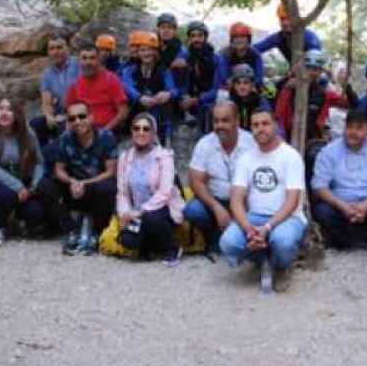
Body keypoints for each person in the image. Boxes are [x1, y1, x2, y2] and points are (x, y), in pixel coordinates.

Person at [219, 108, 307, 294]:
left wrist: (267, 227)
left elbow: (293, 201)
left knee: (282, 241)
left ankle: (281, 265)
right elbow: (236, 199)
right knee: (228, 243)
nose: (260, 129)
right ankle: (264, 258)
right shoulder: (246, 158)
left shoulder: (290, 156)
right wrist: (248, 229)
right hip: (255, 216)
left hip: (287, 217)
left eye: (265, 124)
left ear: (275, 125)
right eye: (255, 125)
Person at [38, 100, 118, 255]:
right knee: (45, 186)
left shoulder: (106, 137)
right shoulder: (65, 138)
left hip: (96, 188)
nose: (78, 121)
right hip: (73, 188)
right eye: (72, 118)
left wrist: (84, 183)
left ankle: (97, 231)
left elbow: (110, 171)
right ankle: (71, 229)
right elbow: (58, 170)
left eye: (82, 116)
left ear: (91, 117)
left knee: (108, 187)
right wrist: (72, 181)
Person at [311, 109, 367, 250]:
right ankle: (345, 241)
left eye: (359, 128)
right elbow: (319, 185)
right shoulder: (329, 151)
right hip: (340, 205)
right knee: (322, 210)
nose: (353, 132)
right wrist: (343, 207)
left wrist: (365, 206)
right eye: (350, 127)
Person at [184, 101, 258, 257]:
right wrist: (217, 208)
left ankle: (244, 241)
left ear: (237, 121)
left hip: (245, 200)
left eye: (225, 120)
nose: (220, 126)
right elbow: (195, 180)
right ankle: (214, 240)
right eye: (216, 121)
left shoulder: (252, 143)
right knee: (193, 210)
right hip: (216, 199)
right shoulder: (204, 144)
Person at [275, 50, 356, 184]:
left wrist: (346, 85)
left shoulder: (324, 93)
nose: (312, 73)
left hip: (314, 141)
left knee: (316, 160)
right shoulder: (289, 89)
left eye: (316, 69)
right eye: (309, 68)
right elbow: (278, 116)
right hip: (289, 139)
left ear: (320, 72)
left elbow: (350, 104)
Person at [116, 113, 185, 266]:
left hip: (162, 209)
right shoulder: (124, 157)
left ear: (153, 133)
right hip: (136, 212)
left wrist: (141, 211)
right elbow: (122, 192)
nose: (141, 132)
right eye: (137, 128)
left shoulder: (164, 156)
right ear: (131, 131)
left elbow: (164, 193)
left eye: (146, 129)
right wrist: (124, 213)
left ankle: (172, 250)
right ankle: (151, 246)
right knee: (128, 240)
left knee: (151, 219)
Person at [0, 98, 46, 246]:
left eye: (9, 109)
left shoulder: (28, 133)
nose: (4, 113)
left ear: (18, 114)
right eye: (1, 109)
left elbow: (39, 162)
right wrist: (18, 186)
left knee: (35, 212)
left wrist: (33, 186)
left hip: (22, 183)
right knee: (5, 195)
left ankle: (16, 217)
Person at [121, 32, 177, 145]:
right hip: (137, 108)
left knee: (165, 107)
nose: (147, 53)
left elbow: (174, 90)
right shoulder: (129, 70)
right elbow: (126, 86)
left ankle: (164, 139)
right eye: (143, 50)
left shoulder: (163, 71)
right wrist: (140, 97)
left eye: (150, 50)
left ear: (155, 52)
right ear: (138, 53)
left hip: (157, 109)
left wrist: (168, 95)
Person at [64, 41, 128, 132]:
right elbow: (68, 111)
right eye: (84, 58)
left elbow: (123, 112)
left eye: (92, 58)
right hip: (81, 130)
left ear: (99, 59)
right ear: (79, 61)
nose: (88, 62)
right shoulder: (75, 83)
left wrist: (105, 131)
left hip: (106, 130)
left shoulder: (111, 79)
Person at [30, 33, 80, 147]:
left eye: (59, 47)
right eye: (51, 49)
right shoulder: (47, 74)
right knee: (36, 123)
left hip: (79, 113)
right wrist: (49, 116)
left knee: (63, 129)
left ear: (67, 48)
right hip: (60, 114)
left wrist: (68, 116)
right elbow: (46, 102)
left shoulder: (78, 64)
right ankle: (42, 157)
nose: (55, 52)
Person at [179, 20, 222, 131]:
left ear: (205, 37)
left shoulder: (215, 59)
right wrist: (184, 96)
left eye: (200, 35)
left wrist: (196, 99)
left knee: (207, 110)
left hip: (207, 98)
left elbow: (216, 88)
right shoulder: (185, 56)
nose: (196, 39)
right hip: (190, 96)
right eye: (193, 36)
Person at [253, 1, 322, 66]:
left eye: (289, 18)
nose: (285, 23)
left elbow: (315, 62)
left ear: (296, 18)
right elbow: (255, 49)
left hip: (313, 73)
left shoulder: (309, 37)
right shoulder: (278, 38)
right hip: (294, 73)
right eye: (282, 19)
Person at [224, 64, 272, 131]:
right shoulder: (228, 103)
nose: (242, 87)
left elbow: (269, 124)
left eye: (246, 83)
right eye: (238, 83)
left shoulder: (260, 102)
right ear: (234, 85)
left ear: (252, 85)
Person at [217, 22, 264, 88]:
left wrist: (250, 87)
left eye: (242, 37)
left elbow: (259, 77)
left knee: (268, 91)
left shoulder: (255, 55)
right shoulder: (226, 54)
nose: (239, 40)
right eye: (236, 37)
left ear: (248, 39)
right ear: (232, 39)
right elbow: (224, 77)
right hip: (231, 87)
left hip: (250, 87)